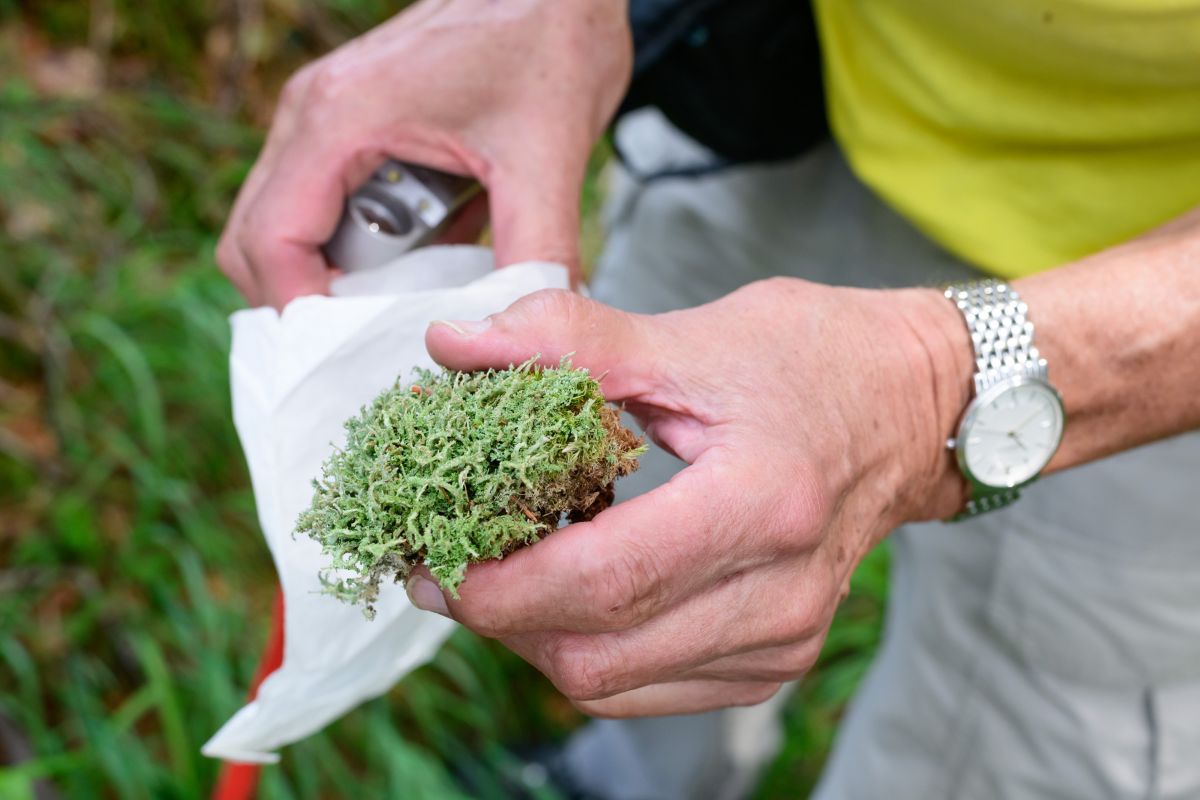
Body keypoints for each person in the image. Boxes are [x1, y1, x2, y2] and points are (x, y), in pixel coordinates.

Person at [216, 0, 1200, 797]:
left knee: (1020, 723)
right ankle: (633, 780)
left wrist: (937, 374)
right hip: (779, 77)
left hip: (1144, 269)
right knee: (646, 533)